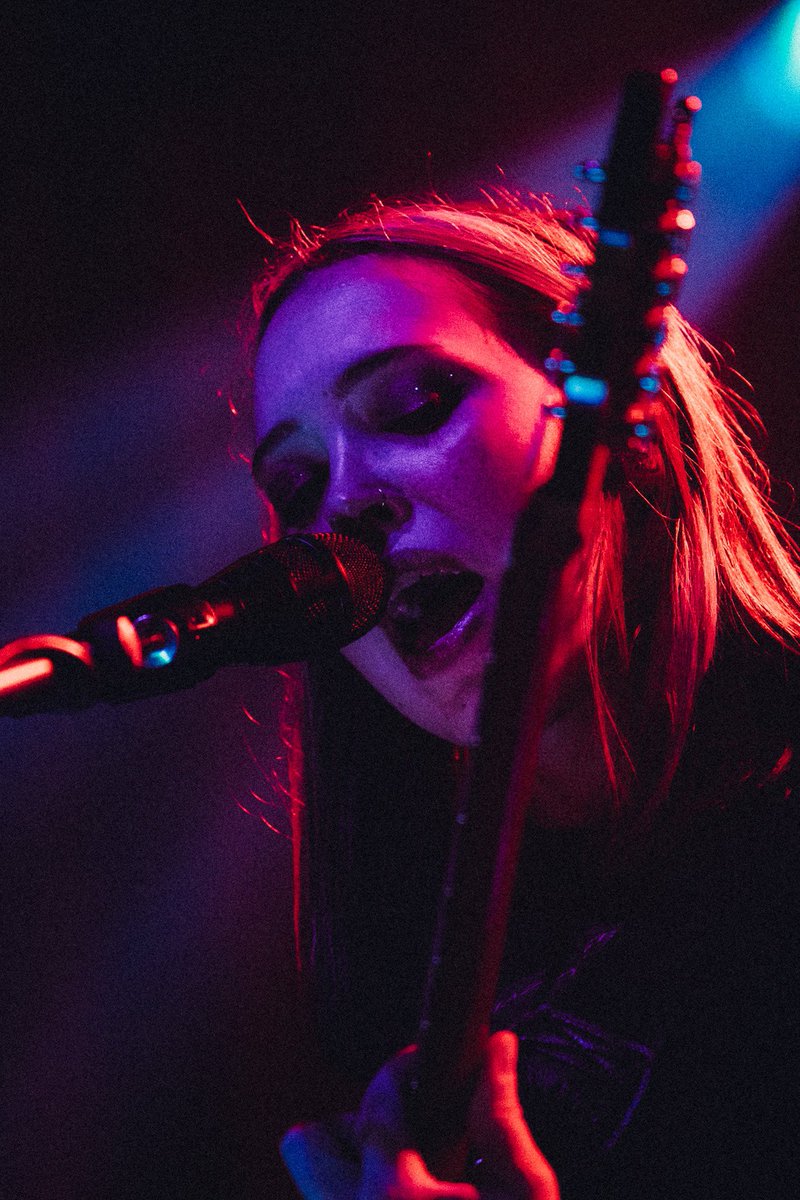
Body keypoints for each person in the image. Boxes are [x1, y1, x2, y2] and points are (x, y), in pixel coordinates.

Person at [243, 194, 800, 1198]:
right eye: (294, 486)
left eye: (412, 406)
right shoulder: (401, 977)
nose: (341, 511)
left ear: (635, 432)